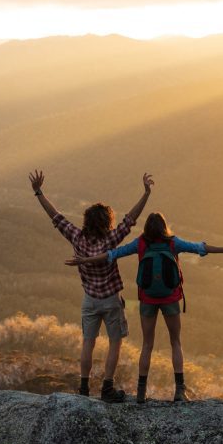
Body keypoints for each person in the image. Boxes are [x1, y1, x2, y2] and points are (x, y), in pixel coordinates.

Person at [66, 212, 223, 403]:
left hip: (148, 300)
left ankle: (141, 393)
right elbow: (199, 248)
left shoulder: (140, 243)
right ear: (163, 227)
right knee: (175, 342)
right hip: (170, 299)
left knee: (147, 345)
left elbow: (112, 254)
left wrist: (85, 260)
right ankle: (179, 391)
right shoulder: (173, 243)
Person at [30, 169, 154, 402]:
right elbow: (131, 219)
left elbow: (55, 217)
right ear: (107, 222)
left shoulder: (77, 238)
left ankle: (84, 388)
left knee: (88, 342)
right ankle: (107, 388)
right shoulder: (110, 239)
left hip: (89, 299)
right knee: (115, 342)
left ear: (87, 221)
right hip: (111, 299)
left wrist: (39, 192)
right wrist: (146, 193)